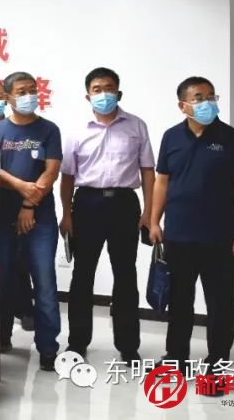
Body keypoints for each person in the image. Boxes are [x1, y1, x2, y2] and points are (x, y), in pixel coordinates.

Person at [150, 76, 234, 388]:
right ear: (183, 105)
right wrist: (154, 221)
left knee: (220, 304)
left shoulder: (233, 139)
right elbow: (162, 182)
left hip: (219, 237)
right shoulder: (171, 137)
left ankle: (217, 363)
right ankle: (176, 357)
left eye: (211, 96)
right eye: (198, 97)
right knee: (179, 301)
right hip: (178, 236)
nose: (207, 102)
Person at [60, 67, 155, 364]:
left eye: (109, 88)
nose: (104, 94)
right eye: (97, 89)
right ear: (87, 96)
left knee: (125, 274)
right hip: (87, 204)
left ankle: (128, 346)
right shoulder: (77, 130)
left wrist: (149, 212)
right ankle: (77, 342)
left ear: (119, 93)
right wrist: (66, 214)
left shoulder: (136, 126)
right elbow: (67, 176)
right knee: (82, 275)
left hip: (125, 204)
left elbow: (148, 171)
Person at [0, 71, 62, 371]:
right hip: (1, 215)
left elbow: (51, 171)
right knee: (2, 280)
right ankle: (1, 338)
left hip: (40, 215)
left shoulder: (49, 129)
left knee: (44, 281)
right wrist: (21, 189)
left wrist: (29, 203)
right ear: (8, 97)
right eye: (21, 91)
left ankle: (48, 347)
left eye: (32, 89)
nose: (29, 95)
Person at [0, 79, 35, 331]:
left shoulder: (18, 127)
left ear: (6, 99)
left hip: (19, 198)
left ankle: (25, 308)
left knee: (21, 257)